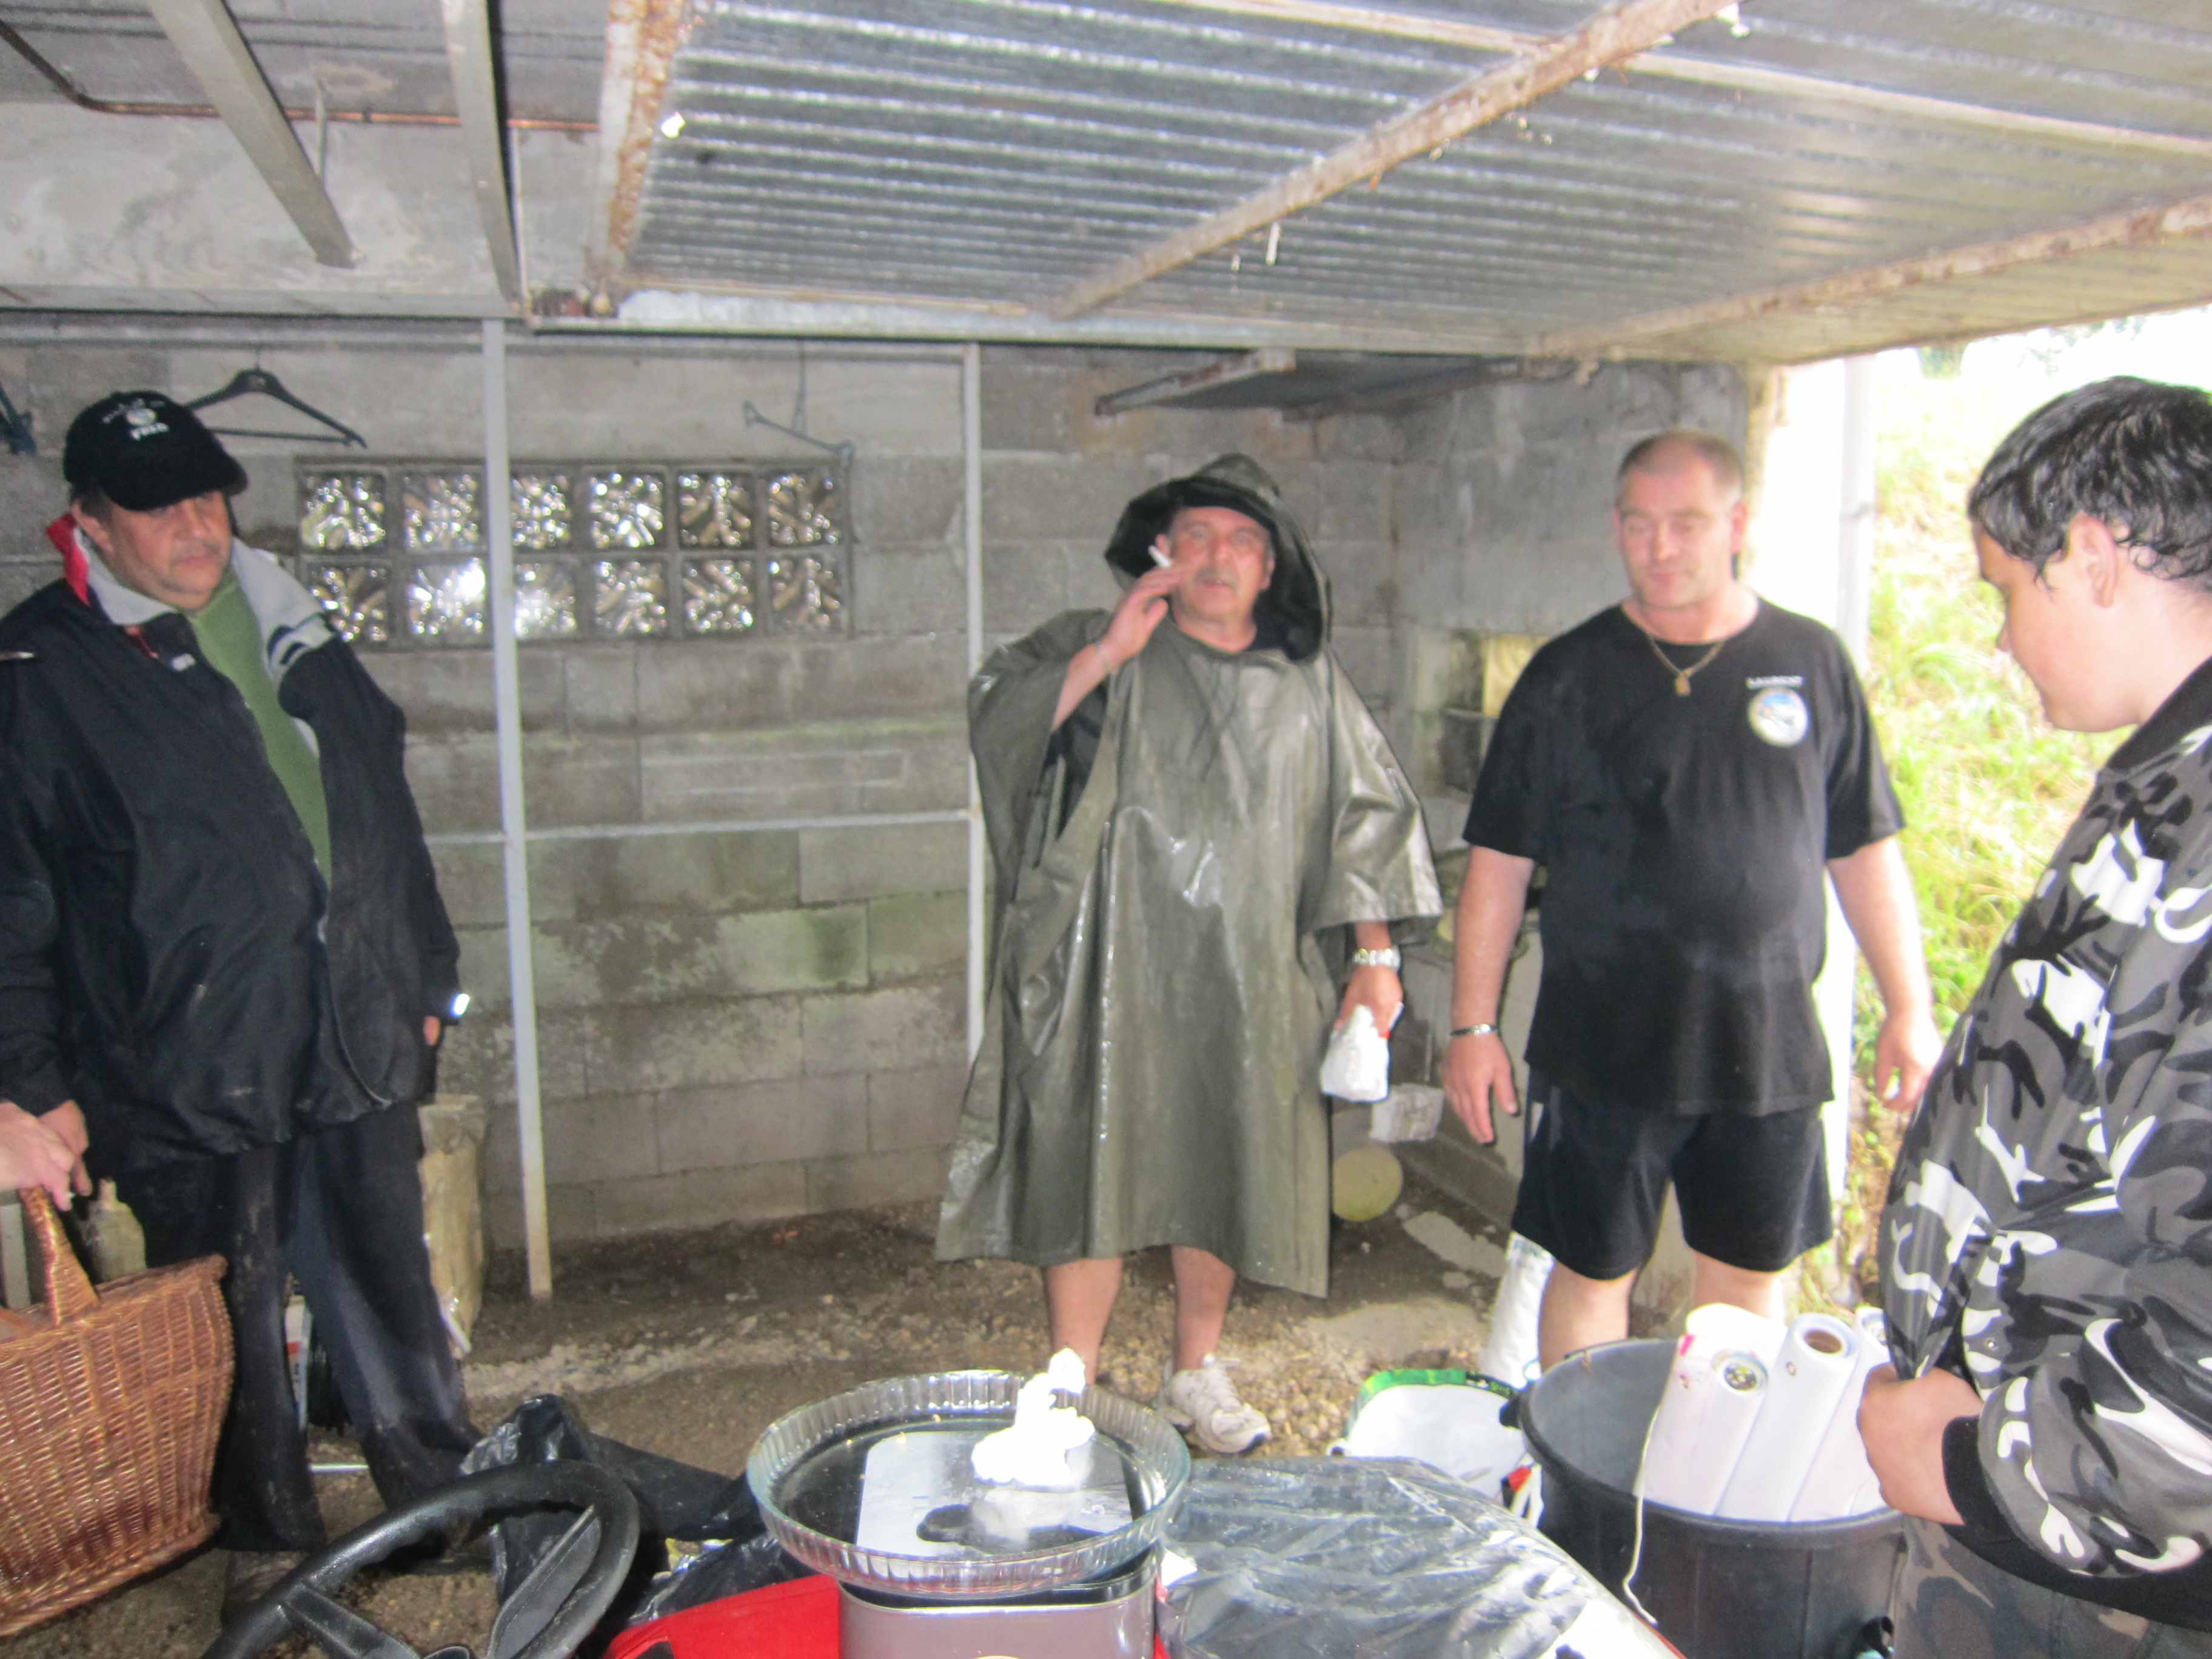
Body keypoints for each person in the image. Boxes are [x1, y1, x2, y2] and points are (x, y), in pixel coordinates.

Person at [0, 392, 475, 1614]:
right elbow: (12, 894)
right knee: (231, 1300)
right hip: (180, 1048)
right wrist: (28, 1083)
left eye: (207, 496)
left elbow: (379, 803)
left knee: (385, 1271)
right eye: (157, 507)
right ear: (89, 522)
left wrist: (424, 966)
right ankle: (267, 1539)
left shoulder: (288, 620)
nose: (195, 525)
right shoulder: (40, 670)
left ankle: (437, 1498)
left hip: (350, 1011)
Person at [937, 454, 1439, 1454]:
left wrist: (1375, 961)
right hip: (1106, 959)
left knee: (1226, 1158)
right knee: (1090, 1157)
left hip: (1249, 969)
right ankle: (1071, 1385)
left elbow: (1367, 816)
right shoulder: (1101, 642)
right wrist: (1107, 654)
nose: (1219, 556)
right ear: (1162, 550)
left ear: (1271, 566)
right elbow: (998, 717)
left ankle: (1194, 1370)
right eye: (1198, 535)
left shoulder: (1307, 681)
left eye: (1243, 541)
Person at [1443, 429, 1941, 1368]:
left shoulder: (1811, 660)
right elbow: (1498, 865)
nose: (1660, 547)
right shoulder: (1567, 676)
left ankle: (1713, 1459)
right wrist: (1472, 1027)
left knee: (1748, 1285)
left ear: (1738, 524)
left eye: (1686, 523)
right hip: (1602, 1043)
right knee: (1591, 1272)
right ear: (1615, 527)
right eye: (1639, 524)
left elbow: (1865, 849)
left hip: (1764, 1042)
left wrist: (1909, 1009)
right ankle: (1581, 1458)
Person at [1862, 377, 2212, 1657]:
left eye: (2007, 590)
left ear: (2094, 558)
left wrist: (1980, 1469)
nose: (2002, 639)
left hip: (2105, 1566)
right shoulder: (2174, 777)